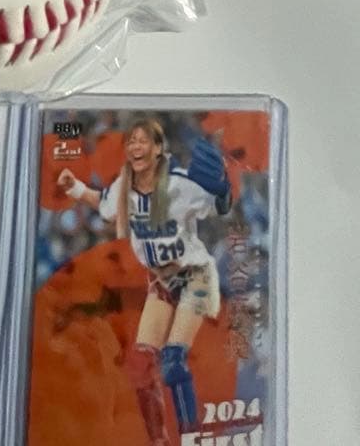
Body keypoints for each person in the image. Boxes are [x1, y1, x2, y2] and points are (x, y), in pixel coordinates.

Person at [58, 117, 232, 446]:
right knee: (139, 366)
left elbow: (218, 206)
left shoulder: (178, 184)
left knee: (173, 362)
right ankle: (158, 441)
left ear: (158, 149)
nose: (136, 146)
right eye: (132, 141)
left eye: (144, 141)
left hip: (193, 275)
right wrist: (75, 188)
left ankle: (193, 438)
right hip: (161, 283)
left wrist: (223, 188)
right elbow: (104, 204)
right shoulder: (124, 189)